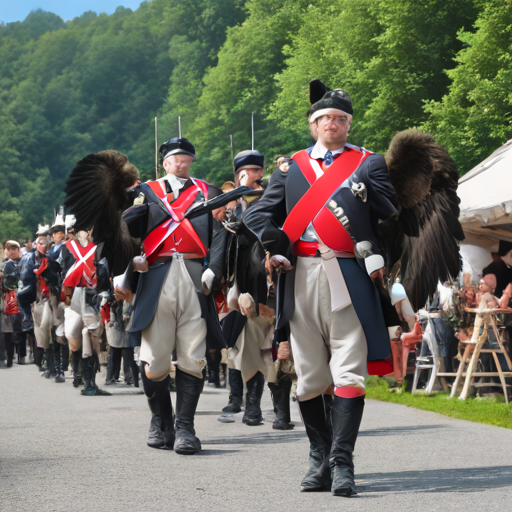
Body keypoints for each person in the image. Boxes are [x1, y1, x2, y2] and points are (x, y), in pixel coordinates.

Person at [244, 88, 398, 496]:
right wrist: (273, 243)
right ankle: (320, 459)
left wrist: (369, 194)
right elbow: (259, 213)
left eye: (341, 119)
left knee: (349, 372)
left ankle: (343, 464)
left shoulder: (368, 162)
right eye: (326, 119)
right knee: (310, 377)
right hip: (300, 272)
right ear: (314, 125)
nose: (334, 124)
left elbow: (391, 210)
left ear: (349, 124)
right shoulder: (289, 167)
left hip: (348, 271)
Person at [114, 140, 228, 454]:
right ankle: (160, 420)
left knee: (193, 355)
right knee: (154, 359)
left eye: (186, 158)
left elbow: (219, 235)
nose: (181, 163)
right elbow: (123, 229)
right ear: (164, 163)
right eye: (175, 158)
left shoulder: (207, 192)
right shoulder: (145, 192)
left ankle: (185, 428)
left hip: (194, 274)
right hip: (156, 275)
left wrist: (214, 269)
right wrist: (130, 258)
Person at [1, 241, 26, 367]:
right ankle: (6, 356)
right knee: (8, 329)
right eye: (9, 249)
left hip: (21, 297)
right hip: (7, 299)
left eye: (14, 248)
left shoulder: (24, 261)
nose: (11, 251)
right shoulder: (3, 264)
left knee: (20, 326)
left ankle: (21, 355)